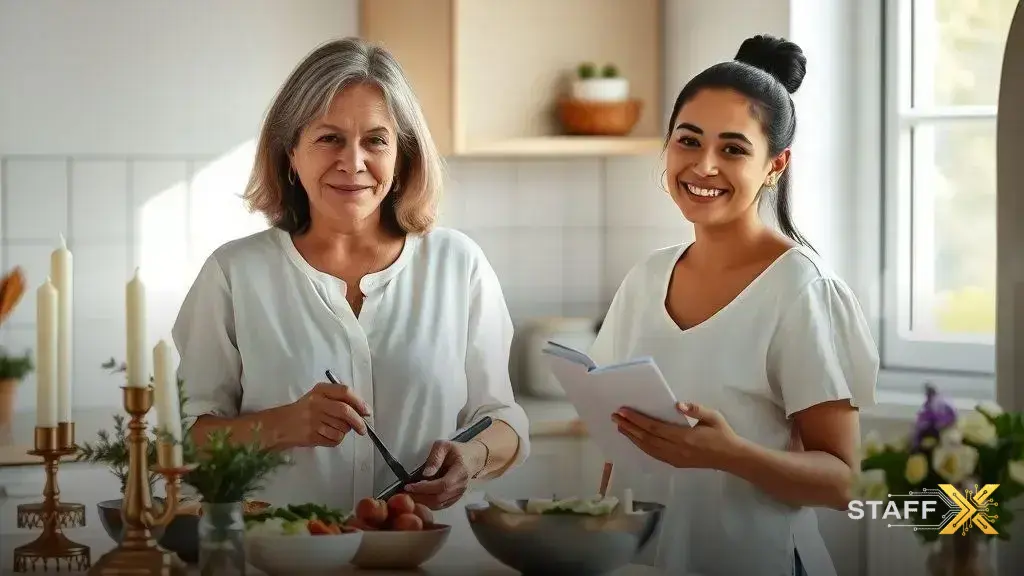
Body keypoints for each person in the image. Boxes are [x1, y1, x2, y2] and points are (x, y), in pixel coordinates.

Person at [172, 37, 530, 512]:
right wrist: (282, 425)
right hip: (281, 556)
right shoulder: (233, 274)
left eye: (375, 141)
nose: (353, 162)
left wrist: (473, 456)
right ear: (291, 155)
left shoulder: (458, 264)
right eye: (329, 138)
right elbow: (183, 440)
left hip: (422, 554)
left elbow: (501, 418)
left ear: (401, 155)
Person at [592, 35, 878, 576]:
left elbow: (848, 482)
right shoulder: (646, 278)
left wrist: (730, 454)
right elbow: (618, 445)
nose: (703, 166)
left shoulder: (801, 291)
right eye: (688, 140)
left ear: (776, 164)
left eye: (733, 149)